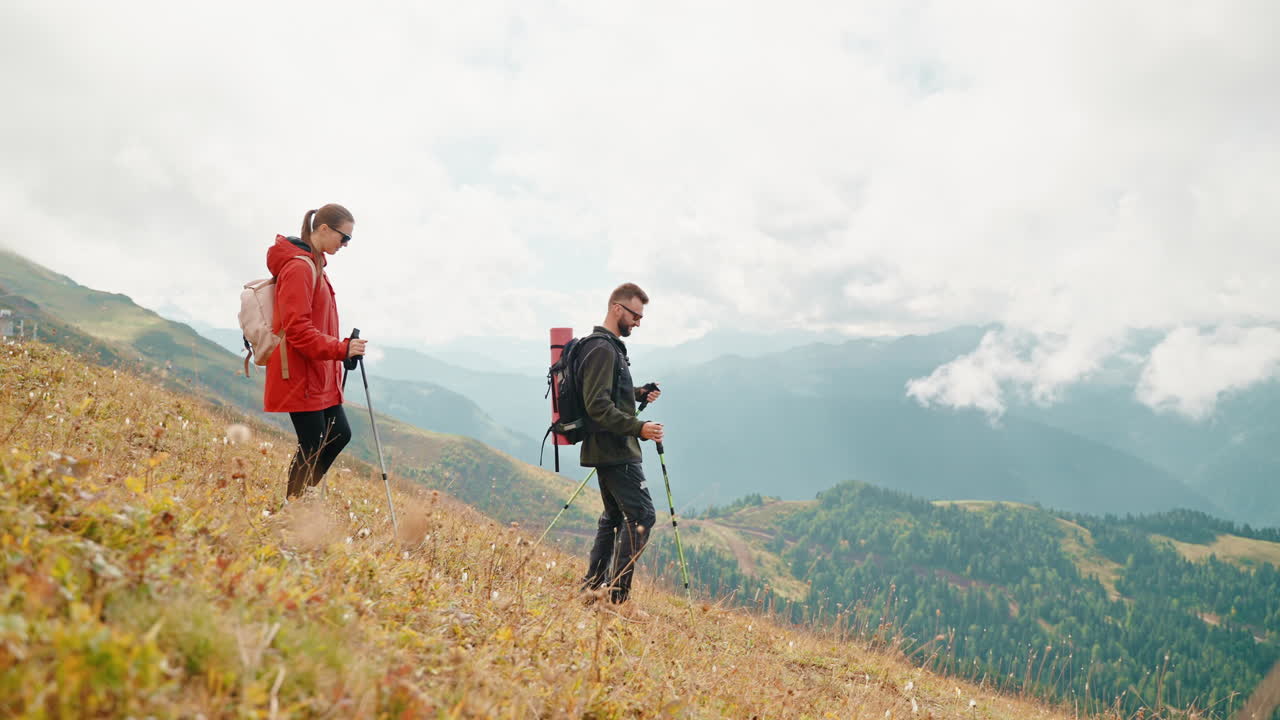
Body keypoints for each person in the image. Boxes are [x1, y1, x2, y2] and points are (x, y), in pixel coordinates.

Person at [262, 204, 368, 499]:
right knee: (311, 443)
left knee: (338, 435)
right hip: (299, 370)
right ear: (323, 229)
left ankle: (301, 497)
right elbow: (297, 330)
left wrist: (343, 348)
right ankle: (292, 507)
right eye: (343, 237)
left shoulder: (314, 263)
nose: (345, 245)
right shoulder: (299, 267)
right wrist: (341, 349)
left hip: (319, 369)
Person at [578, 282, 664, 616]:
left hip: (609, 447)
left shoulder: (608, 347)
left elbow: (609, 395)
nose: (638, 323)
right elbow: (597, 406)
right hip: (615, 448)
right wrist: (639, 428)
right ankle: (616, 600)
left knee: (614, 517)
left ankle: (592, 589)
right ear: (617, 309)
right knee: (642, 516)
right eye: (635, 315)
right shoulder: (602, 348)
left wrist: (639, 393)